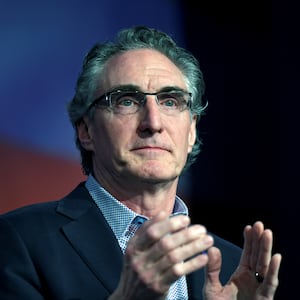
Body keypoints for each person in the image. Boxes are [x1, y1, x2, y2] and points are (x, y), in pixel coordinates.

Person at [0, 25, 281, 300]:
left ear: (191, 131)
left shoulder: (232, 266)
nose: (153, 123)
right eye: (126, 101)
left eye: (170, 101)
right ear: (86, 131)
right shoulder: (19, 241)